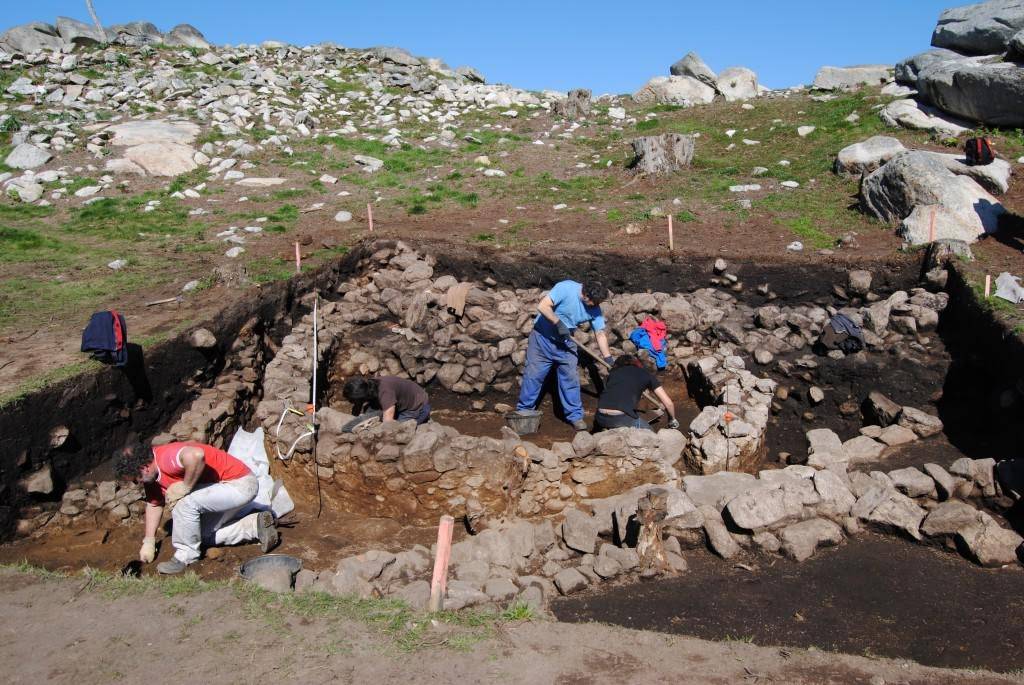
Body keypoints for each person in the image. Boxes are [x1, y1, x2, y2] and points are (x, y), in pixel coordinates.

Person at [115, 440, 279, 575]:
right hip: (221, 493)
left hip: (239, 485)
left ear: (143, 468)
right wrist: (149, 541)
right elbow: (154, 504)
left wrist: (185, 486)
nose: (137, 483)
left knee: (182, 502)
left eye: (135, 479)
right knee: (198, 536)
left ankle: (184, 557)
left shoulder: (165, 457)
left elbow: (196, 455)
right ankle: (254, 526)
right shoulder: (152, 479)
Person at [516, 279, 613, 431]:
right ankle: (524, 411)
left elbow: (600, 333)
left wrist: (608, 358)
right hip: (542, 339)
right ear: (585, 295)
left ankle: (575, 416)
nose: (594, 306)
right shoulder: (566, 288)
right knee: (533, 376)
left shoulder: (595, 306)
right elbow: (543, 306)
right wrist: (558, 322)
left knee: (570, 379)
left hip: (566, 343)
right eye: (592, 303)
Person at [595, 355, 679, 431]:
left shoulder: (613, 373)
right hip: (619, 418)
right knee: (650, 433)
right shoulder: (645, 374)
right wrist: (672, 419)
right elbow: (669, 404)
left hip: (599, 416)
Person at [343, 375, 431, 424]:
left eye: (354, 401)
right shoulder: (369, 385)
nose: (353, 403)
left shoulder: (385, 393)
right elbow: (358, 406)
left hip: (418, 406)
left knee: (399, 430)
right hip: (404, 399)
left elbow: (387, 425)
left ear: (362, 396)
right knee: (368, 414)